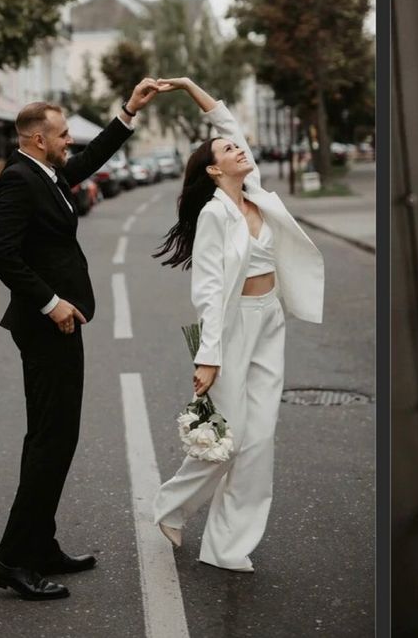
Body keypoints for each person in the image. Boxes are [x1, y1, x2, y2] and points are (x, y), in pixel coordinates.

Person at [0, 78, 159, 600]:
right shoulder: (19, 179)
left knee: (53, 439)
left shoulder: (49, 173)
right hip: (46, 326)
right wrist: (50, 301)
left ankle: (40, 544)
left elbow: (89, 161)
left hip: (61, 325)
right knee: (50, 442)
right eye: (62, 135)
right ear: (38, 139)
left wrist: (128, 111)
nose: (69, 143)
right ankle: (13, 560)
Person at [152, 77, 324, 572]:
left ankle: (228, 546)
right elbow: (207, 290)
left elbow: (226, 122)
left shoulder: (256, 194)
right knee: (228, 437)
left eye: (238, 147)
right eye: (231, 149)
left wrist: (188, 86)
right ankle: (171, 505)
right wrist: (208, 356)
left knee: (259, 439)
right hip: (232, 328)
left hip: (270, 319)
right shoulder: (214, 214)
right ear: (214, 168)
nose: (240, 150)